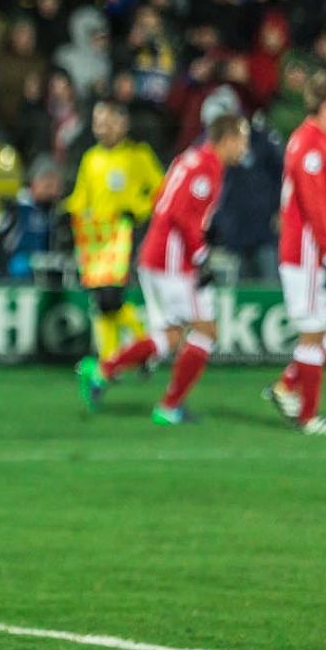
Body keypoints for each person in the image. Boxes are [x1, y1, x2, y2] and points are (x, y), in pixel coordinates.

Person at [77, 113, 251, 424]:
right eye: (242, 141)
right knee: (206, 331)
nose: (244, 148)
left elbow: (165, 200)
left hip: (155, 257)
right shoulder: (206, 167)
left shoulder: (190, 158)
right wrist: (200, 256)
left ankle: (102, 371)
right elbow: (183, 215)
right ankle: (169, 406)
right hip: (174, 262)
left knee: (169, 336)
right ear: (228, 139)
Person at [264, 74, 326, 435]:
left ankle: (287, 384)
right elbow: (313, 206)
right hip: (307, 254)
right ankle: (308, 416)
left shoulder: (319, 140)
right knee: (313, 333)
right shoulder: (309, 145)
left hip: (316, 251)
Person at [68, 101, 164, 360]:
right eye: (97, 123)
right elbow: (81, 197)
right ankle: (112, 359)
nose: (101, 129)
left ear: (123, 124)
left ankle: (143, 346)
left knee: (110, 298)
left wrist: (137, 210)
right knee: (102, 301)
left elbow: (162, 191)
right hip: (96, 239)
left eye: (108, 123)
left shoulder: (138, 156)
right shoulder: (91, 158)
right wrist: (67, 211)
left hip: (125, 234)